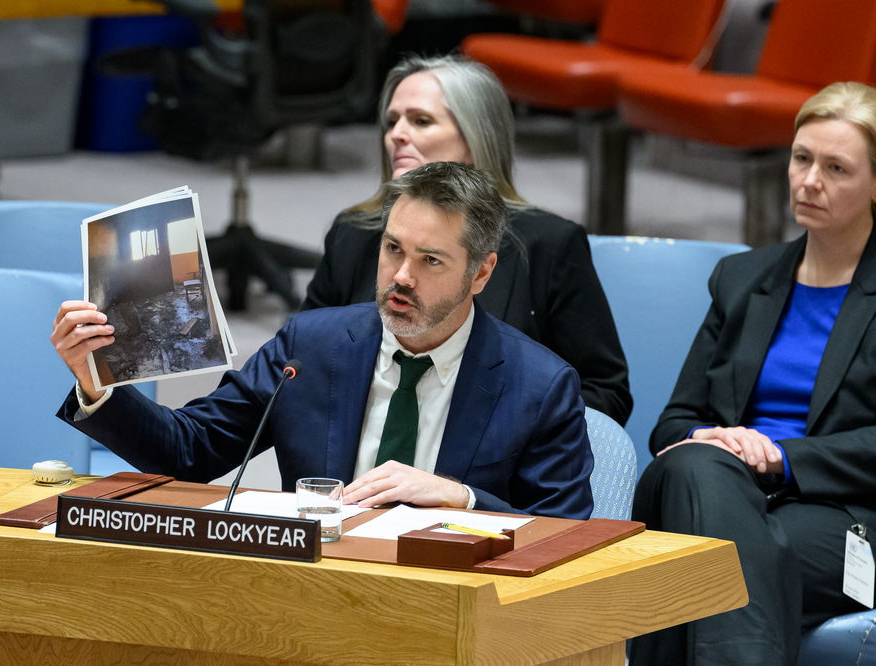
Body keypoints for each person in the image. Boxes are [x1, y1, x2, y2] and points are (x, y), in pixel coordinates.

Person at [52, 161, 594, 518]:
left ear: (481, 274)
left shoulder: (539, 385)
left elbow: (567, 536)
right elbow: (190, 452)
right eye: (392, 249)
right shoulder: (309, 346)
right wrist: (97, 385)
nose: (402, 276)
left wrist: (466, 499)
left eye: (430, 260)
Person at [630, 81, 876, 665]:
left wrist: (782, 456)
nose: (810, 180)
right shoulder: (742, 279)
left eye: (836, 168)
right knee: (696, 461)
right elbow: (674, 424)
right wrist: (713, 441)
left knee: (698, 560)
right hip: (709, 483)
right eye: (801, 158)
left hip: (846, 520)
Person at [301, 54, 632, 426]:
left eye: (421, 121)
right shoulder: (354, 233)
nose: (397, 134)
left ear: (476, 138)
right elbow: (301, 360)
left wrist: (513, 435)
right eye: (392, 121)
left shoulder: (549, 244)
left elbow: (606, 391)